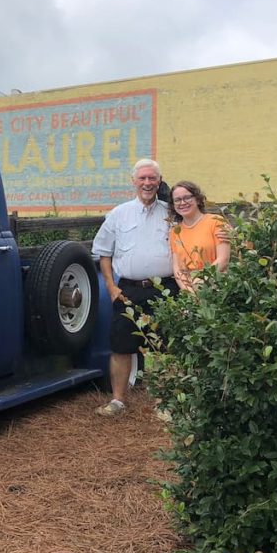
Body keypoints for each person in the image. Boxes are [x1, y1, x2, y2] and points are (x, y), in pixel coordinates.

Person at [91, 158, 177, 417]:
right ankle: (118, 401)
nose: (147, 183)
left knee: (168, 347)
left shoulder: (172, 213)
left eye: (152, 178)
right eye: (142, 178)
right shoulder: (119, 214)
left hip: (166, 289)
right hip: (128, 290)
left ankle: (168, 403)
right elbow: (103, 253)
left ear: (159, 182)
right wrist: (110, 286)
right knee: (121, 346)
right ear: (134, 181)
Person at [168, 180, 231, 292]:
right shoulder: (175, 232)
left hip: (216, 287)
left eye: (187, 198)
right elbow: (177, 268)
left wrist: (202, 281)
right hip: (190, 292)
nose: (182, 203)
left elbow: (223, 259)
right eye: (177, 200)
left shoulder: (216, 222)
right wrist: (189, 291)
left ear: (197, 199)